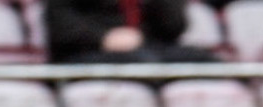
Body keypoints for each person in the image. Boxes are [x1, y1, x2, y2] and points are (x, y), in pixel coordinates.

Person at [45, 0, 190, 62]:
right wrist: (103, 38)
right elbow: (60, 24)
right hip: (87, 51)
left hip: (148, 48)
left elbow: (174, 27)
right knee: (144, 62)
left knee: (201, 60)